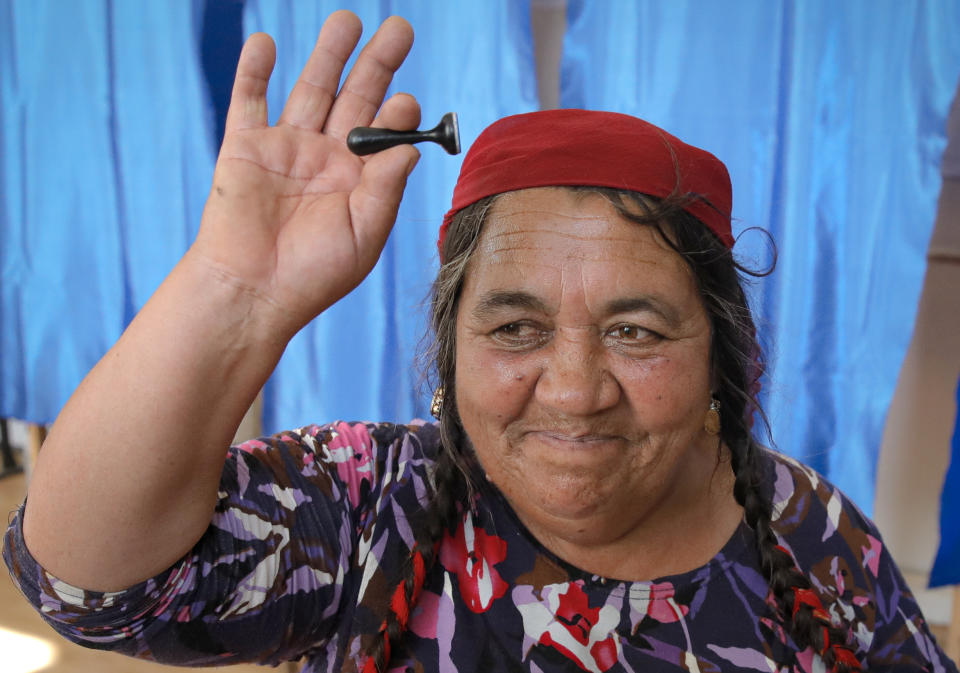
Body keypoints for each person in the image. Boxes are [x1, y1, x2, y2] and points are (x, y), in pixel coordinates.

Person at [3, 10, 955, 673]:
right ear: (451, 352)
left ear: (718, 352)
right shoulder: (373, 501)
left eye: (635, 329)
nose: (576, 390)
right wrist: (235, 290)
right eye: (515, 327)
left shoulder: (812, 533)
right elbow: (88, 583)